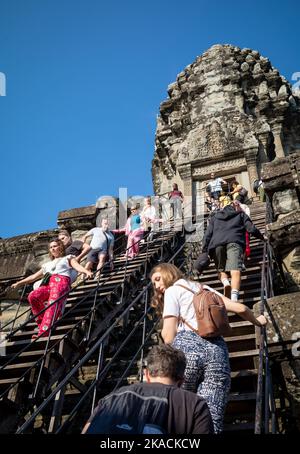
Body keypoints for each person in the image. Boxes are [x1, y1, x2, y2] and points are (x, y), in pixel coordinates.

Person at [150, 263, 268, 433]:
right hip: (217, 351)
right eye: (154, 283)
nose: (157, 285)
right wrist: (258, 321)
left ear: (169, 273)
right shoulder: (204, 288)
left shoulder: (172, 291)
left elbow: (169, 335)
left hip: (187, 349)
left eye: (158, 279)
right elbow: (240, 308)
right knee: (211, 419)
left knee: (178, 414)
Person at [82, 344, 214, 434]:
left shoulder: (111, 398)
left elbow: (87, 430)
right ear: (182, 380)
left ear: (146, 374)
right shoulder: (195, 405)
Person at [11, 239, 93, 338]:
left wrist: (86, 271)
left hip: (61, 281)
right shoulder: (46, 265)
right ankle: (43, 324)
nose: (52, 249)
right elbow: (33, 277)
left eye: (55, 246)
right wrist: (19, 283)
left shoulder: (68, 258)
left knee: (52, 304)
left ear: (60, 247)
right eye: (50, 247)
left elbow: (77, 266)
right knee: (32, 296)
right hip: (49, 283)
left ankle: (43, 333)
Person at [201, 201, 265, 301]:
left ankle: (226, 283)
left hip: (217, 244)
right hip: (234, 241)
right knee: (235, 270)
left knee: (221, 269)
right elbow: (251, 229)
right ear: (234, 208)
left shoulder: (214, 218)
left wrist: (205, 250)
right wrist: (262, 237)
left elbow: (207, 235)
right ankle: (234, 298)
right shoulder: (241, 215)